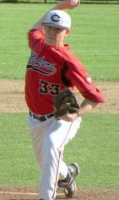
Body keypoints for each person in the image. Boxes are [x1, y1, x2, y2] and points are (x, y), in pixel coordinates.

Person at [24, 0, 105, 199]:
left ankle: (46, 196)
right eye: (49, 28)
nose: (52, 32)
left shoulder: (69, 61)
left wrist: (75, 114)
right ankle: (67, 175)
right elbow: (35, 27)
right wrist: (61, 5)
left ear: (66, 32)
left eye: (58, 29)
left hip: (61, 116)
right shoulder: (37, 43)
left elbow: (94, 98)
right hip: (35, 119)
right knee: (47, 162)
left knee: (52, 144)